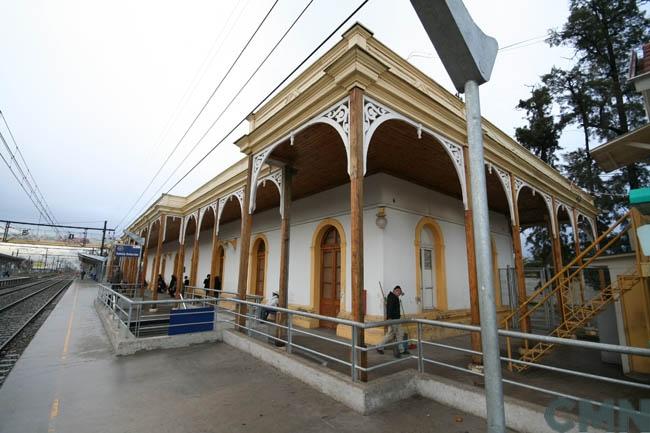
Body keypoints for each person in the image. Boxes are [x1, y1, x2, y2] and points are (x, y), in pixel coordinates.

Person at [377, 286, 410, 358]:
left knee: (397, 334)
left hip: (397, 319)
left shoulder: (394, 296)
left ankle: (401, 350)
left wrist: (401, 294)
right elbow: (389, 308)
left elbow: (400, 294)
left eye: (400, 292)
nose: (399, 293)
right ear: (395, 291)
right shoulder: (392, 298)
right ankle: (379, 346)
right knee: (393, 335)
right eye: (398, 291)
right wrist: (389, 318)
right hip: (393, 320)